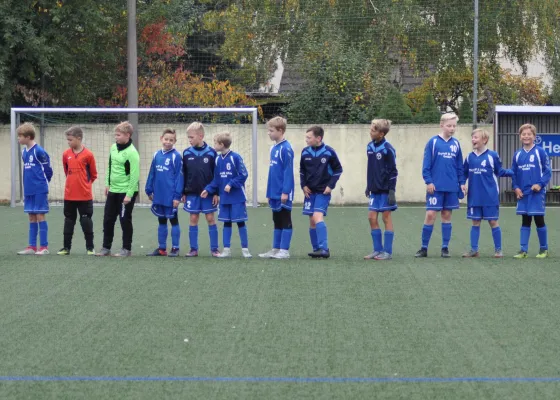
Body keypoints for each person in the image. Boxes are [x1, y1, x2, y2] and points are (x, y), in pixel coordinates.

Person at [415, 113, 466, 258]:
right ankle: (424, 248)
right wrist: (428, 181)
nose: (452, 128)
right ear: (441, 125)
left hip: (451, 187)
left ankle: (445, 248)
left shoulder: (456, 144)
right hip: (435, 187)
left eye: (454, 126)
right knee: (430, 215)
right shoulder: (433, 142)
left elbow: (459, 166)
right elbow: (426, 164)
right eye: (449, 125)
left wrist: (461, 183)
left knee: (446, 215)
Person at [462, 129, 512, 258]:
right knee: (475, 222)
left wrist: (514, 172)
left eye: (476, 137)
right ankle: (474, 250)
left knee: (493, 222)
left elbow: (500, 171)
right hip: (474, 197)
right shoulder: (469, 157)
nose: (473, 140)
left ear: (484, 140)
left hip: (490, 196)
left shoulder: (492, 155)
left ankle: (498, 250)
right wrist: (462, 184)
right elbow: (463, 173)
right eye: (472, 137)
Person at [201, 132, 252, 258]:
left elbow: (243, 175)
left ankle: (245, 250)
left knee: (240, 222)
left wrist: (231, 183)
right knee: (226, 222)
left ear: (221, 144)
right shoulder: (218, 159)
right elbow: (216, 179)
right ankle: (227, 250)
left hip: (237, 197)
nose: (214, 145)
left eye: (215, 143)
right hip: (224, 198)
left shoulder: (235, 157)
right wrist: (208, 189)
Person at [299, 126, 343, 258]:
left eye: (309, 137)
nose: (306, 140)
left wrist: (330, 186)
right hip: (309, 193)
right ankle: (316, 248)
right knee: (312, 220)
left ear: (318, 138)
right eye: (306, 137)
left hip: (323, 192)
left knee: (317, 217)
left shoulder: (329, 152)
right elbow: (302, 170)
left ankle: (324, 249)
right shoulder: (305, 152)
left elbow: (338, 170)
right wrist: (303, 185)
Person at [97, 121, 140, 257]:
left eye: (118, 135)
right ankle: (106, 248)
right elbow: (110, 166)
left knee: (124, 219)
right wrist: (107, 184)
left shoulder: (132, 153)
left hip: (126, 192)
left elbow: (135, 175)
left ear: (127, 135)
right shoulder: (113, 148)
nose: (116, 137)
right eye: (115, 135)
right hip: (113, 190)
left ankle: (126, 249)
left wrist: (129, 194)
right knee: (108, 219)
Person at [511, 123, 551, 258]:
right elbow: (514, 174)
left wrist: (540, 184)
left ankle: (544, 249)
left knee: (539, 220)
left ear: (534, 136)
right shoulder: (517, 154)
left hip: (537, 194)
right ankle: (523, 250)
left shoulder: (540, 152)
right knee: (525, 220)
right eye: (523, 134)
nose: (526, 136)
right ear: (520, 136)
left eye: (529, 134)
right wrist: (516, 188)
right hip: (523, 194)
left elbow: (547, 171)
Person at [58, 126, 98, 256]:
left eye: (70, 139)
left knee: (86, 220)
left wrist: (84, 185)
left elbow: (93, 175)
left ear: (79, 138)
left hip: (84, 196)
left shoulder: (88, 155)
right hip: (69, 195)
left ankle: (90, 248)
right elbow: (66, 171)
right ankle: (66, 248)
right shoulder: (66, 154)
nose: (68, 142)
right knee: (69, 220)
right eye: (67, 140)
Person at [182, 122, 220, 257]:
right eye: (189, 137)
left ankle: (214, 249)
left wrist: (216, 192)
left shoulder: (212, 153)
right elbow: (184, 174)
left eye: (191, 137)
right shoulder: (186, 153)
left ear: (201, 136)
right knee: (193, 218)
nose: (189, 140)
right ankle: (193, 249)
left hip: (208, 194)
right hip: (192, 193)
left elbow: (216, 174)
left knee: (210, 218)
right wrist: (183, 192)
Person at [259, 116, 295, 259]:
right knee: (276, 219)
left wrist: (285, 192)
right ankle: (276, 248)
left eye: (271, 130)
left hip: (283, 191)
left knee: (285, 218)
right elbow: (272, 172)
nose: (269, 133)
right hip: (273, 191)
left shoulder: (286, 148)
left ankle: (284, 250)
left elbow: (288, 171)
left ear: (280, 131)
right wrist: (269, 192)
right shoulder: (273, 148)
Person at [145, 128, 184, 257]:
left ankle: (175, 248)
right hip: (159, 194)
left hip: (171, 196)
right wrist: (149, 189)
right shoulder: (156, 154)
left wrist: (177, 196)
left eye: (171, 140)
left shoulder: (176, 156)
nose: (168, 142)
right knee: (161, 220)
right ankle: (162, 249)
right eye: (166, 139)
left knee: (173, 221)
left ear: (175, 141)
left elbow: (179, 177)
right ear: (161, 138)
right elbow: (152, 173)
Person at [364, 119, 398, 260]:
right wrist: (368, 185)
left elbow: (393, 171)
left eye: (373, 130)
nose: (370, 132)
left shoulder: (388, 149)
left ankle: (387, 252)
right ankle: (377, 249)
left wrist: (391, 191)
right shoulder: (369, 147)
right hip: (374, 190)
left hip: (385, 190)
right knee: (371, 217)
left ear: (381, 134)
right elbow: (372, 168)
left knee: (385, 217)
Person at [17, 123, 53, 255]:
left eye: (20, 136)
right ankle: (32, 246)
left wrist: (43, 184)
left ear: (28, 137)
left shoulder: (39, 151)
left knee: (40, 215)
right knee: (31, 216)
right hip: (29, 189)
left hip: (39, 189)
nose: (18, 139)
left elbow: (48, 170)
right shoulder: (23, 152)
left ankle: (44, 247)